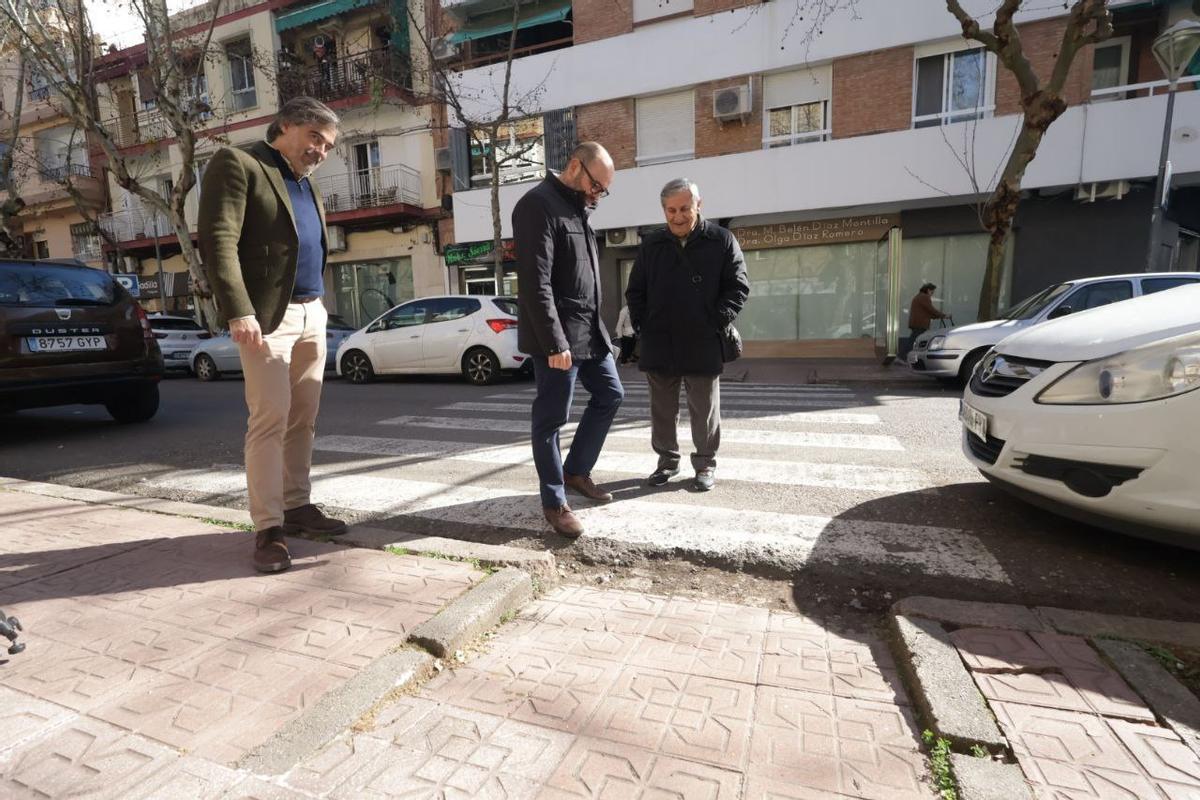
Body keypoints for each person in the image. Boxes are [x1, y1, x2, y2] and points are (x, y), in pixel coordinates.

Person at [198, 96, 348, 574]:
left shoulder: (307, 185)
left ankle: (297, 505)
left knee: (304, 418)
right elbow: (218, 238)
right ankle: (268, 529)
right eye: (315, 139)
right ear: (286, 126)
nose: (320, 151)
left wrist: (319, 307)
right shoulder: (239, 163)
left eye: (327, 146)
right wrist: (238, 310)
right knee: (269, 420)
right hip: (268, 319)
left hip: (312, 313)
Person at [513, 142, 624, 539]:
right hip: (558, 338)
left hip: (590, 333)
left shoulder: (579, 209)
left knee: (611, 394)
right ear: (575, 166)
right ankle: (554, 501)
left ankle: (576, 470)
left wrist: (603, 334)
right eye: (597, 185)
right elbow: (535, 283)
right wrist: (554, 342)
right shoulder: (537, 205)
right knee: (550, 420)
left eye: (603, 189)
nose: (598, 194)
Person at [626, 178, 749, 492]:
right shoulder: (651, 244)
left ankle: (705, 462)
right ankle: (667, 462)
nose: (678, 216)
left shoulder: (721, 240)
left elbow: (738, 287)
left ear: (698, 205)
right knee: (662, 410)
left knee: (704, 409)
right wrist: (643, 325)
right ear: (663, 211)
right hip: (659, 340)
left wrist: (714, 321)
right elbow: (635, 291)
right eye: (671, 210)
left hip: (702, 340)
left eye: (684, 208)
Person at [906, 281, 949, 356]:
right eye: (932, 291)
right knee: (914, 340)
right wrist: (943, 315)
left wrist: (940, 316)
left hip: (917, 323)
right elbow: (931, 310)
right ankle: (902, 356)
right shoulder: (924, 297)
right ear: (928, 290)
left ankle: (906, 356)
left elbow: (928, 312)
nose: (933, 293)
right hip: (920, 323)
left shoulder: (919, 296)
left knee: (915, 340)